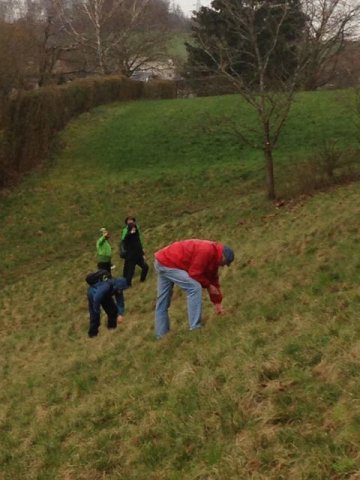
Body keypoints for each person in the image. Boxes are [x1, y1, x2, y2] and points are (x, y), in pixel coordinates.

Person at [154, 239, 234, 338]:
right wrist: (208, 286)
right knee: (194, 287)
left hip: (163, 260)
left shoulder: (214, 258)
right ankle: (195, 327)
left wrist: (217, 302)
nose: (223, 265)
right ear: (222, 256)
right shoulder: (207, 251)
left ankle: (161, 336)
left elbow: (213, 280)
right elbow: (195, 273)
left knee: (162, 302)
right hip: (167, 262)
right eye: (224, 263)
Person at [120, 216, 149, 286]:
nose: (134, 228)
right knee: (130, 272)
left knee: (145, 267)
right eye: (132, 227)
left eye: (134, 227)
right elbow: (124, 242)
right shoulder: (127, 237)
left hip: (138, 256)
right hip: (131, 257)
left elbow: (138, 245)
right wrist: (130, 233)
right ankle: (128, 284)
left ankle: (142, 280)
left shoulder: (136, 235)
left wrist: (142, 254)